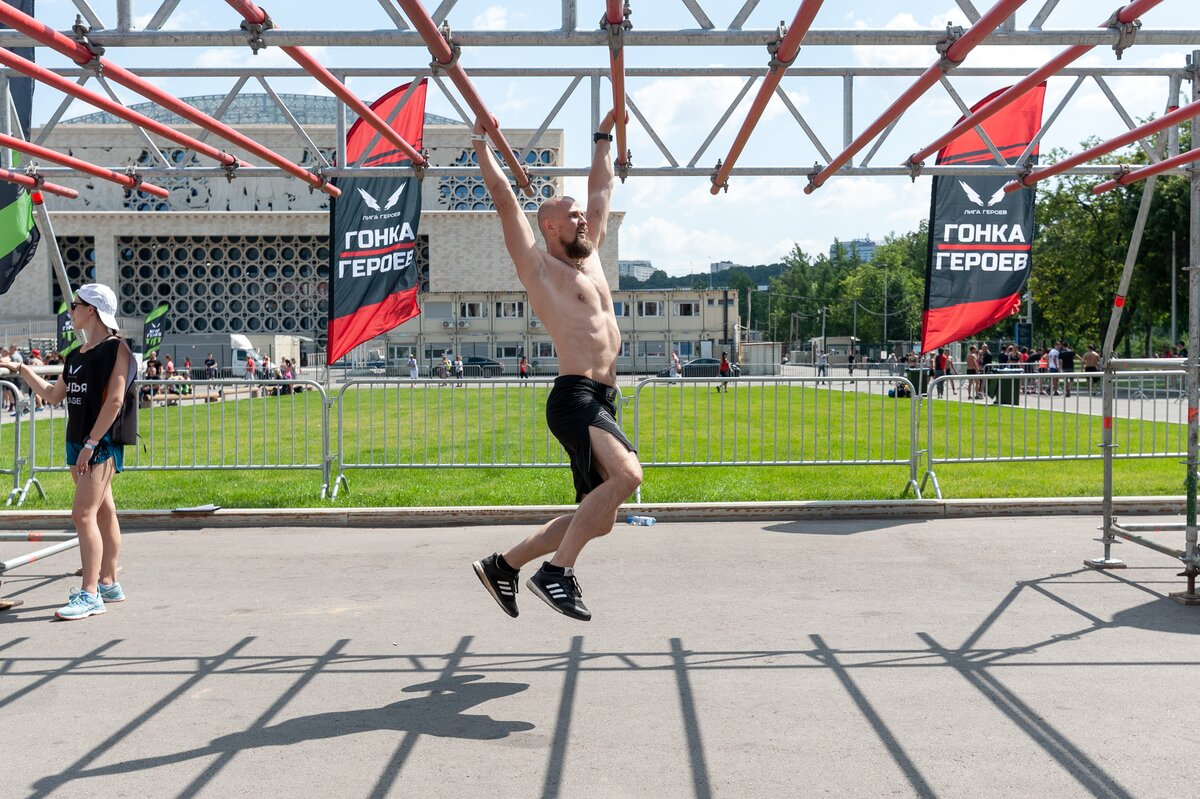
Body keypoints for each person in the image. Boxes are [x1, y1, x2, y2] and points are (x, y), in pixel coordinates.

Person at [470, 108, 641, 622]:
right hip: (575, 396)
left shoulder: (590, 260)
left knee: (601, 517)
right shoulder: (539, 269)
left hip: (601, 397)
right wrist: (482, 147)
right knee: (628, 475)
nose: (583, 218)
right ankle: (556, 573)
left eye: (581, 216)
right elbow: (505, 204)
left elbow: (602, 190)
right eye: (571, 215)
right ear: (548, 225)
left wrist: (603, 136)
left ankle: (504, 564)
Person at [2, 284, 133, 620]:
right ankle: (108, 583)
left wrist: (91, 444)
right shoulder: (76, 355)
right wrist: (20, 370)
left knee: (82, 515)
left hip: (99, 444)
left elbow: (115, 401)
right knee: (103, 512)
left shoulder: (116, 349)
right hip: (77, 442)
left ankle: (91, 594)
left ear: (91, 309)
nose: (70, 310)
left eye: (74, 305)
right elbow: (54, 394)